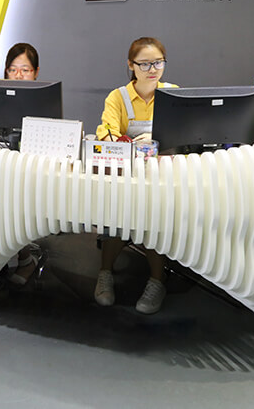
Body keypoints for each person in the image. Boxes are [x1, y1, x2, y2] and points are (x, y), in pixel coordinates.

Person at [94, 37, 176, 314]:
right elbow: (106, 134)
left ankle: (157, 281)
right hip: (126, 177)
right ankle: (105, 273)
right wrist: (126, 142)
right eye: (144, 64)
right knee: (117, 217)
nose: (152, 70)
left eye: (158, 63)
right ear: (131, 65)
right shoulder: (118, 97)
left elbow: (186, 135)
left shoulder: (174, 94)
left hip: (162, 180)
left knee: (154, 223)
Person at [0, 43, 41, 299]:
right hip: (2, 164)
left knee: (12, 199)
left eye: (25, 70)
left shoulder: (42, 100)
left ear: (36, 72)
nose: (18, 75)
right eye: (12, 70)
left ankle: (25, 258)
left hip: (33, 169)